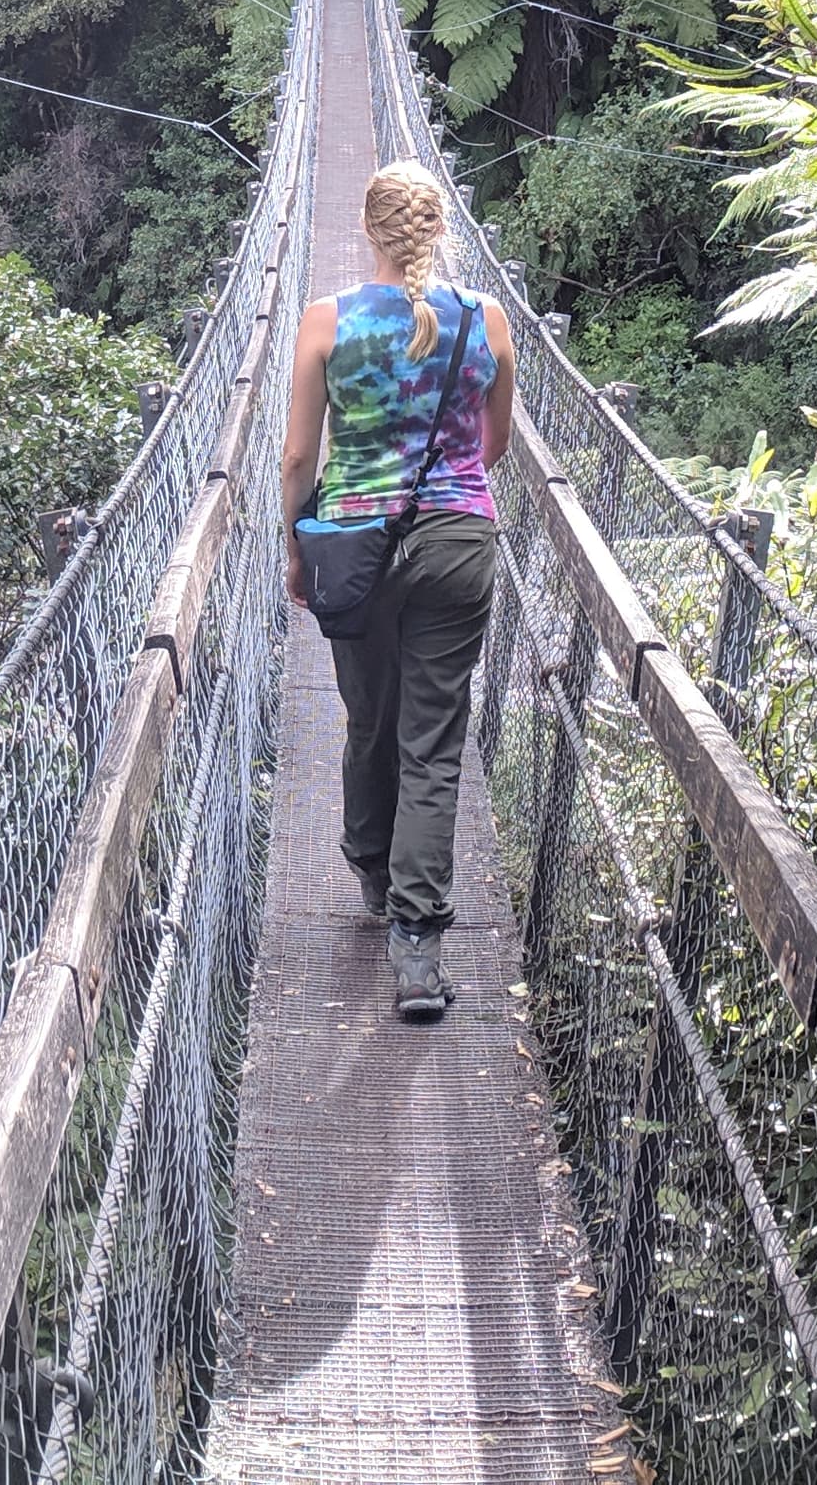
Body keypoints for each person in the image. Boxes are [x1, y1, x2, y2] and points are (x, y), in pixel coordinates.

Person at [278, 160, 519, 1024]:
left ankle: (372, 867)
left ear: (367, 229)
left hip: (352, 548)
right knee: (433, 742)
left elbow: (297, 458)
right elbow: (494, 444)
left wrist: (296, 551)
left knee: (369, 718)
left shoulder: (326, 321)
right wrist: (442, 486)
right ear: (440, 227)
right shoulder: (486, 319)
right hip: (458, 544)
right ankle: (417, 949)